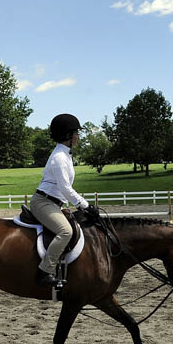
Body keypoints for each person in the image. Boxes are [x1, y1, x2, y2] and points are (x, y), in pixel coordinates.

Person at [30, 114, 98, 287]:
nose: (78, 136)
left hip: (53, 202)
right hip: (43, 202)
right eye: (76, 132)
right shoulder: (59, 158)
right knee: (65, 231)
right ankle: (45, 271)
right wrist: (86, 205)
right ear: (67, 135)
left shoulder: (65, 155)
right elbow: (65, 188)